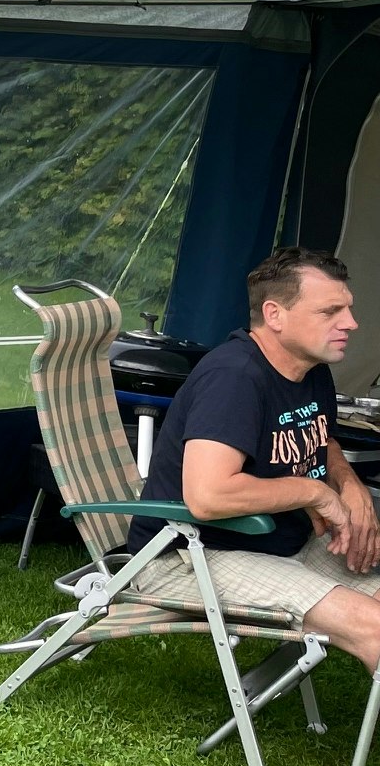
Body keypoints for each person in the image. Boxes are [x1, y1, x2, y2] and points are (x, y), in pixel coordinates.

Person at [129, 246, 380, 670]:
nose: (351, 323)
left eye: (348, 309)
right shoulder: (234, 378)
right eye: (330, 311)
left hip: (282, 541)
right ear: (275, 315)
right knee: (374, 625)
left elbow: (324, 438)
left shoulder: (310, 368)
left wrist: (348, 484)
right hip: (191, 556)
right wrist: (316, 493)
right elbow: (208, 495)